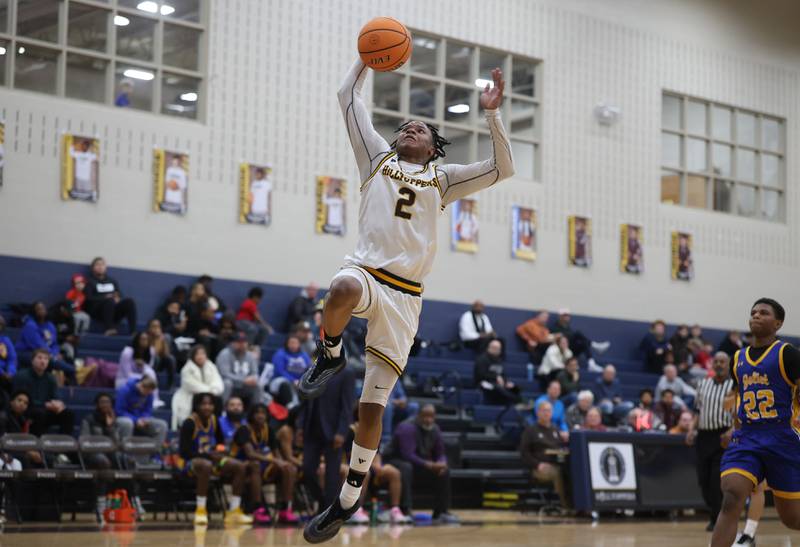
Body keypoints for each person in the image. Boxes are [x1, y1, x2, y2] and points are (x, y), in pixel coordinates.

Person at [297, 55, 512, 543]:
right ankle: (330, 354)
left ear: (434, 148)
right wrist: (365, 58)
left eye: (422, 128)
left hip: (406, 298)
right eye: (406, 126)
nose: (411, 127)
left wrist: (492, 113)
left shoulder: (444, 179)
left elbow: (503, 168)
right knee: (341, 288)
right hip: (367, 273)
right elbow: (347, 97)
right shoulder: (376, 158)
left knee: (371, 410)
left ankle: (347, 499)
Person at [711, 298, 800, 546]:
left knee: (792, 518)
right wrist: (733, 427)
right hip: (747, 437)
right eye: (753, 312)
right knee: (731, 496)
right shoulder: (737, 358)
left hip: (782, 438)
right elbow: (740, 397)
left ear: (778, 323)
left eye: (763, 312)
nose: (756, 316)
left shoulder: (788, 354)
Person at [177, 392, 253, 525]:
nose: (207, 407)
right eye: (203, 404)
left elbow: (220, 443)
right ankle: (201, 510)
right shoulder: (189, 422)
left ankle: (234, 511)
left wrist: (221, 450)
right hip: (188, 463)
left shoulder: (214, 420)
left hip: (210, 459)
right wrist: (209, 455)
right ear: (197, 406)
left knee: (239, 466)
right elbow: (184, 452)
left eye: (210, 404)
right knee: (205, 465)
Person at [384, 405, 458, 524]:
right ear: (418, 416)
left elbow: (440, 453)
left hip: (418, 463)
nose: (428, 420)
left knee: (444, 472)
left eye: (431, 417)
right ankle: (405, 509)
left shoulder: (435, 429)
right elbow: (407, 454)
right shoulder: (406, 427)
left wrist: (442, 463)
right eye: (425, 416)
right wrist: (430, 465)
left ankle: (441, 512)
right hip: (395, 460)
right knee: (406, 467)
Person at [230, 403, 300, 524]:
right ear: (251, 415)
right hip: (241, 466)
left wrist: (283, 464)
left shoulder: (268, 429)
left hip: (262, 466)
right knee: (255, 465)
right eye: (257, 413)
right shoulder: (244, 429)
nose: (260, 416)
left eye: (263, 413)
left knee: (290, 468)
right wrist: (275, 461)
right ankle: (258, 509)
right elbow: (250, 454)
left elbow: (276, 453)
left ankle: (285, 509)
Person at [301, 367, 355, 510]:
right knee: (307, 469)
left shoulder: (346, 373)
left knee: (332, 475)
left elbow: (347, 406)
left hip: (333, 431)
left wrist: (342, 432)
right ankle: (322, 501)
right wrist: (300, 426)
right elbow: (305, 401)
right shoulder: (311, 369)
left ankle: (328, 510)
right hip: (312, 429)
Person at [81, 392, 131, 521]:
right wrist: (101, 446)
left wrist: (110, 427)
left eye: (107, 402)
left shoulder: (113, 421)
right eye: (102, 402)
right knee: (103, 461)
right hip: (92, 455)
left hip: (109, 455)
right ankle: (101, 503)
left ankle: (131, 501)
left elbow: (117, 444)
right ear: (97, 404)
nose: (105, 405)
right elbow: (84, 441)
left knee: (126, 460)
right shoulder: (89, 419)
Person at [519, 400, 569, 508]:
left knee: (570, 472)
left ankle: (580, 506)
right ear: (538, 413)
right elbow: (524, 453)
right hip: (540, 468)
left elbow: (561, 448)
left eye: (549, 410)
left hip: (557, 463)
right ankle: (566, 506)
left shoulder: (555, 429)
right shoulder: (530, 430)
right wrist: (537, 464)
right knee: (558, 473)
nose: (547, 413)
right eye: (544, 410)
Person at [12, 349, 74, 435]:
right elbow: (21, 399)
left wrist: (58, 403)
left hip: (46, 410)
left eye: (46, 358)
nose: (43, 361)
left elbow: (56, 395)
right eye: (39, 358)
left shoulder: (50, 378)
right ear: (32, 361)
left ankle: (63, 441)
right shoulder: (22, 376)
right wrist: (44, 404)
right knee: (39, 413)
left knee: (68, 414)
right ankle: (37, 441)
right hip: (27, 410)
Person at [15, 301, 76, 381]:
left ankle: (72, 380)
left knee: (65, 357)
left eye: (43, 308)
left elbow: (54, 344)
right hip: (26, 352)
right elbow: (37, 344)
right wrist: (52, 355)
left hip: (45, 352)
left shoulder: (50, 325)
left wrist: (55, 353)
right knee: (47, 360)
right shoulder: (30, 325)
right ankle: (74, 370)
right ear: (34, 312)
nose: (42, 311)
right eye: (38, 309)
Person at [171, 345, 224, 429]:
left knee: (218, 399)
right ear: (193, 356)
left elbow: (218, 382)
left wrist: (212, 391)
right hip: (190, 395)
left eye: (202, 354)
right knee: (199, 399)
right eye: (198, 354)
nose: (200, 356)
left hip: (210, 394)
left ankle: (217, 426)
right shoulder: (187, 369)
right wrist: (209, 391)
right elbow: (191, 385)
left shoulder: (211, 366)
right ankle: (194, 426)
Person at [84, 257, 137, 335]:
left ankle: (133, 331)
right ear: (93, 268)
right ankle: (109, 328)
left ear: (105, 267)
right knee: (109, 300)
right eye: (97, 264)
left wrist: (117, 297)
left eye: (102, 264)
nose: (100, 267)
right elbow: (89, 298)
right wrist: (105, 297)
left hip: (112, 310)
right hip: (97, 312)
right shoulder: (89, 281)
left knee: (130, 302)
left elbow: (119, 294)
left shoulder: (112, 281)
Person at [115, 376, 168, 447]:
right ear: (141, 386)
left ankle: (155, 450)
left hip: (141, 419)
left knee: (162, 425)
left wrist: (145, 418)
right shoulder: (125, 390)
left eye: (150, 392)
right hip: (124, 418)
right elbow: (119, 411)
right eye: (147, 392)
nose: (148, 394)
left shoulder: (149, 393)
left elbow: (148, 410)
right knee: (128, 423)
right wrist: (136, 420)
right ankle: (125, 450)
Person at [216, 331, 263, 407]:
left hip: (244, 386)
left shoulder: (250, 356)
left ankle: (256, 410)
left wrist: (253, 379)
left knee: (258, 385)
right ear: (232, 343)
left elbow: (255, 372)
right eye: (239, 342)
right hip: (230, 385)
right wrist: (243, 380)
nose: (242, 345)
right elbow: (224, 374)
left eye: (244, 342)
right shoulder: (225, 354)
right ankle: (221, 409)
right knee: (227, 383)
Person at [269, 334, 312, 410]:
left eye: (295, 343)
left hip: (299, 382)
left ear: (299, 344)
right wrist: (293, 380)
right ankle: (290, 407)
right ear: (287, 344)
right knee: (285, 384)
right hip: (280, 380)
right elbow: (280, 371)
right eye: (291, 343)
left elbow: (309, 370)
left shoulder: (304, 355)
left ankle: (306, 408)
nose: (293, 345)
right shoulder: (280, 354)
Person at [474, 339, 520, 406]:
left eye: (498, 348)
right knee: (497, 388)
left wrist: (505, 382)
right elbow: (481, 374)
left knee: (515, 387)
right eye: (494, 347)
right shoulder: (482, 359)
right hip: (484, 383)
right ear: (489, 347)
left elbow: (502, 374)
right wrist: (495, 377)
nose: (495, 350)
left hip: (498, 383)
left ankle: (518, 403)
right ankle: (516, 401)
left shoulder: (499, 360)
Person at [380, 381, 419, 445]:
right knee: (388, 406)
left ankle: (408, 436)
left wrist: (402, 401)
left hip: (396, 406)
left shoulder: (395, 379)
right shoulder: (374, 377)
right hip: (382, 406)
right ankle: (385, 441)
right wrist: (393, 401)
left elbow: (402, 396)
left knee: (414, 406)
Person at [147, 318, 177, 390]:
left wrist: (163, 341)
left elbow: (167, 354)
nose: (157, 329)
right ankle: (152, 383)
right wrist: (157, 339)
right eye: (154, 326)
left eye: (158, 327)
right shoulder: (146, 338)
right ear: (149, 328)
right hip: (149, 363)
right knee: (156, 358)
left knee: (171, 359)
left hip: (161, 362)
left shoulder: (164, 337)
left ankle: (171, 385)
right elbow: (153, 354)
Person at [0, 316, 18, 395]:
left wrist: (10, 372)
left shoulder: (5, 340)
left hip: (6, 374)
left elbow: (12, 359)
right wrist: (2, 373)